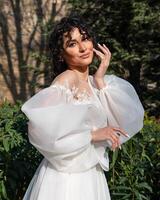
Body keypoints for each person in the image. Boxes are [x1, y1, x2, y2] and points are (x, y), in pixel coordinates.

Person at [21, 14, 144, 200]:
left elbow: (124, 120)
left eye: (85, 39)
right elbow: (38, 126)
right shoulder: (66, 79)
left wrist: (100, 79)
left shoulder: (92, 82)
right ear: (61, 55)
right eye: (72, 44)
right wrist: (91, 135)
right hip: (68, 178)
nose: (82, 47)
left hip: (89, 173)